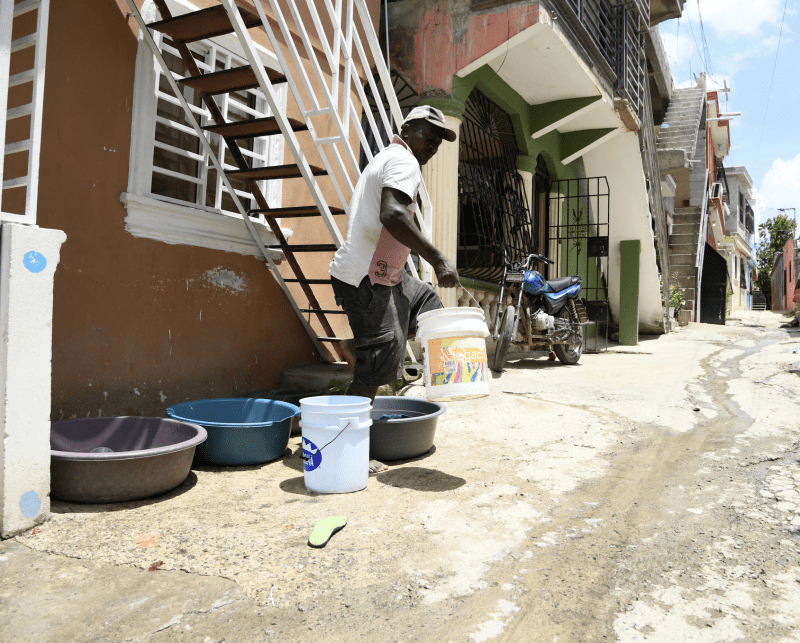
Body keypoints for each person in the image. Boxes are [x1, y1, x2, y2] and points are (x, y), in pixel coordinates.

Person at [329, 105, 460, 403]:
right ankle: (343, 438)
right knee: (377, 373)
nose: (432, 146)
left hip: (386, 276)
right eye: (429, 137)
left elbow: (400, 217)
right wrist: (438, 260)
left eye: (437, 144)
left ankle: (362, 345)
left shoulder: (387, 158)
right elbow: (392, 213)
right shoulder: (404, 161)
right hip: (368, 280)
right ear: (405, 131)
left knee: (428, 303)